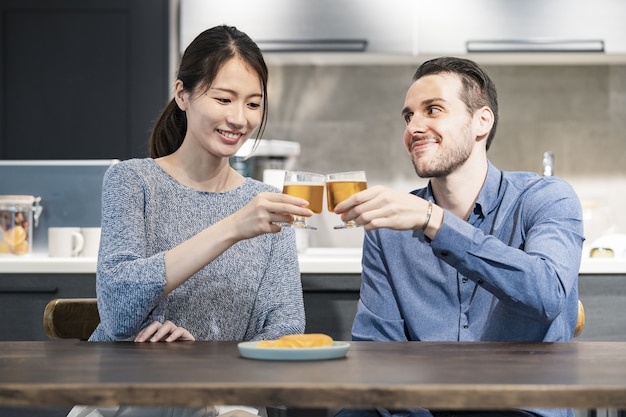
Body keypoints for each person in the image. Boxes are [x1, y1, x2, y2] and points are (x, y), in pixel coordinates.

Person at [69, 25, 310, 417]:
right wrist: (232, 227)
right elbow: (117, 310)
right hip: (129, 388)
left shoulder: (264, 204)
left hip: (228, 391)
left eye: (253, 104)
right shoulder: (132, 181)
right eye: (224, 99)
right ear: (183, 94)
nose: (239, 118)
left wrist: (200, 359)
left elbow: (284, 328)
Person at [333, 57, 584, 417]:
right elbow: (376, 349)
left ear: (481, 121)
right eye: (408, 117)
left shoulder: (547, 198)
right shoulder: (388, 226)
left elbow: (548, 295)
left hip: (519, 408)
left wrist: (434, 221)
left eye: (432, 110)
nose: (414, 128)